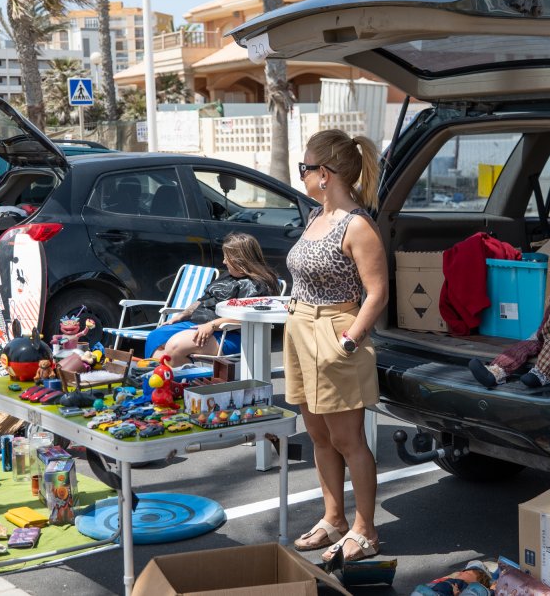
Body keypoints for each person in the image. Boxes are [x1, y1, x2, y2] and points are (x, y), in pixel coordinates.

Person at [284, 129, 388, 563]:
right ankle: (334, 519)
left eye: (304, 168)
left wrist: (347, 342)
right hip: (301, 329)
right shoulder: (315, 216)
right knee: (319, 435)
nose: (302, 175)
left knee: (348, 439)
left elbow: (377, 293)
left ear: (324, 173)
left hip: (334, 331)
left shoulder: (357, 225)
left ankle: (365, 530)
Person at [144, 232, 279, 363]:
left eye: (227, 257)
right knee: (155, 337)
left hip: (231, 333)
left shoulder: (258, 285)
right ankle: (162, 382)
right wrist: (183, 314)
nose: (224, 261)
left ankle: (177, 382)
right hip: (201, 324)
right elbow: (205, 298)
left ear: (241, 260)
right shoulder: (228, 275)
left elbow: (248, 316)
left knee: (175, 346)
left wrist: (212, 325)